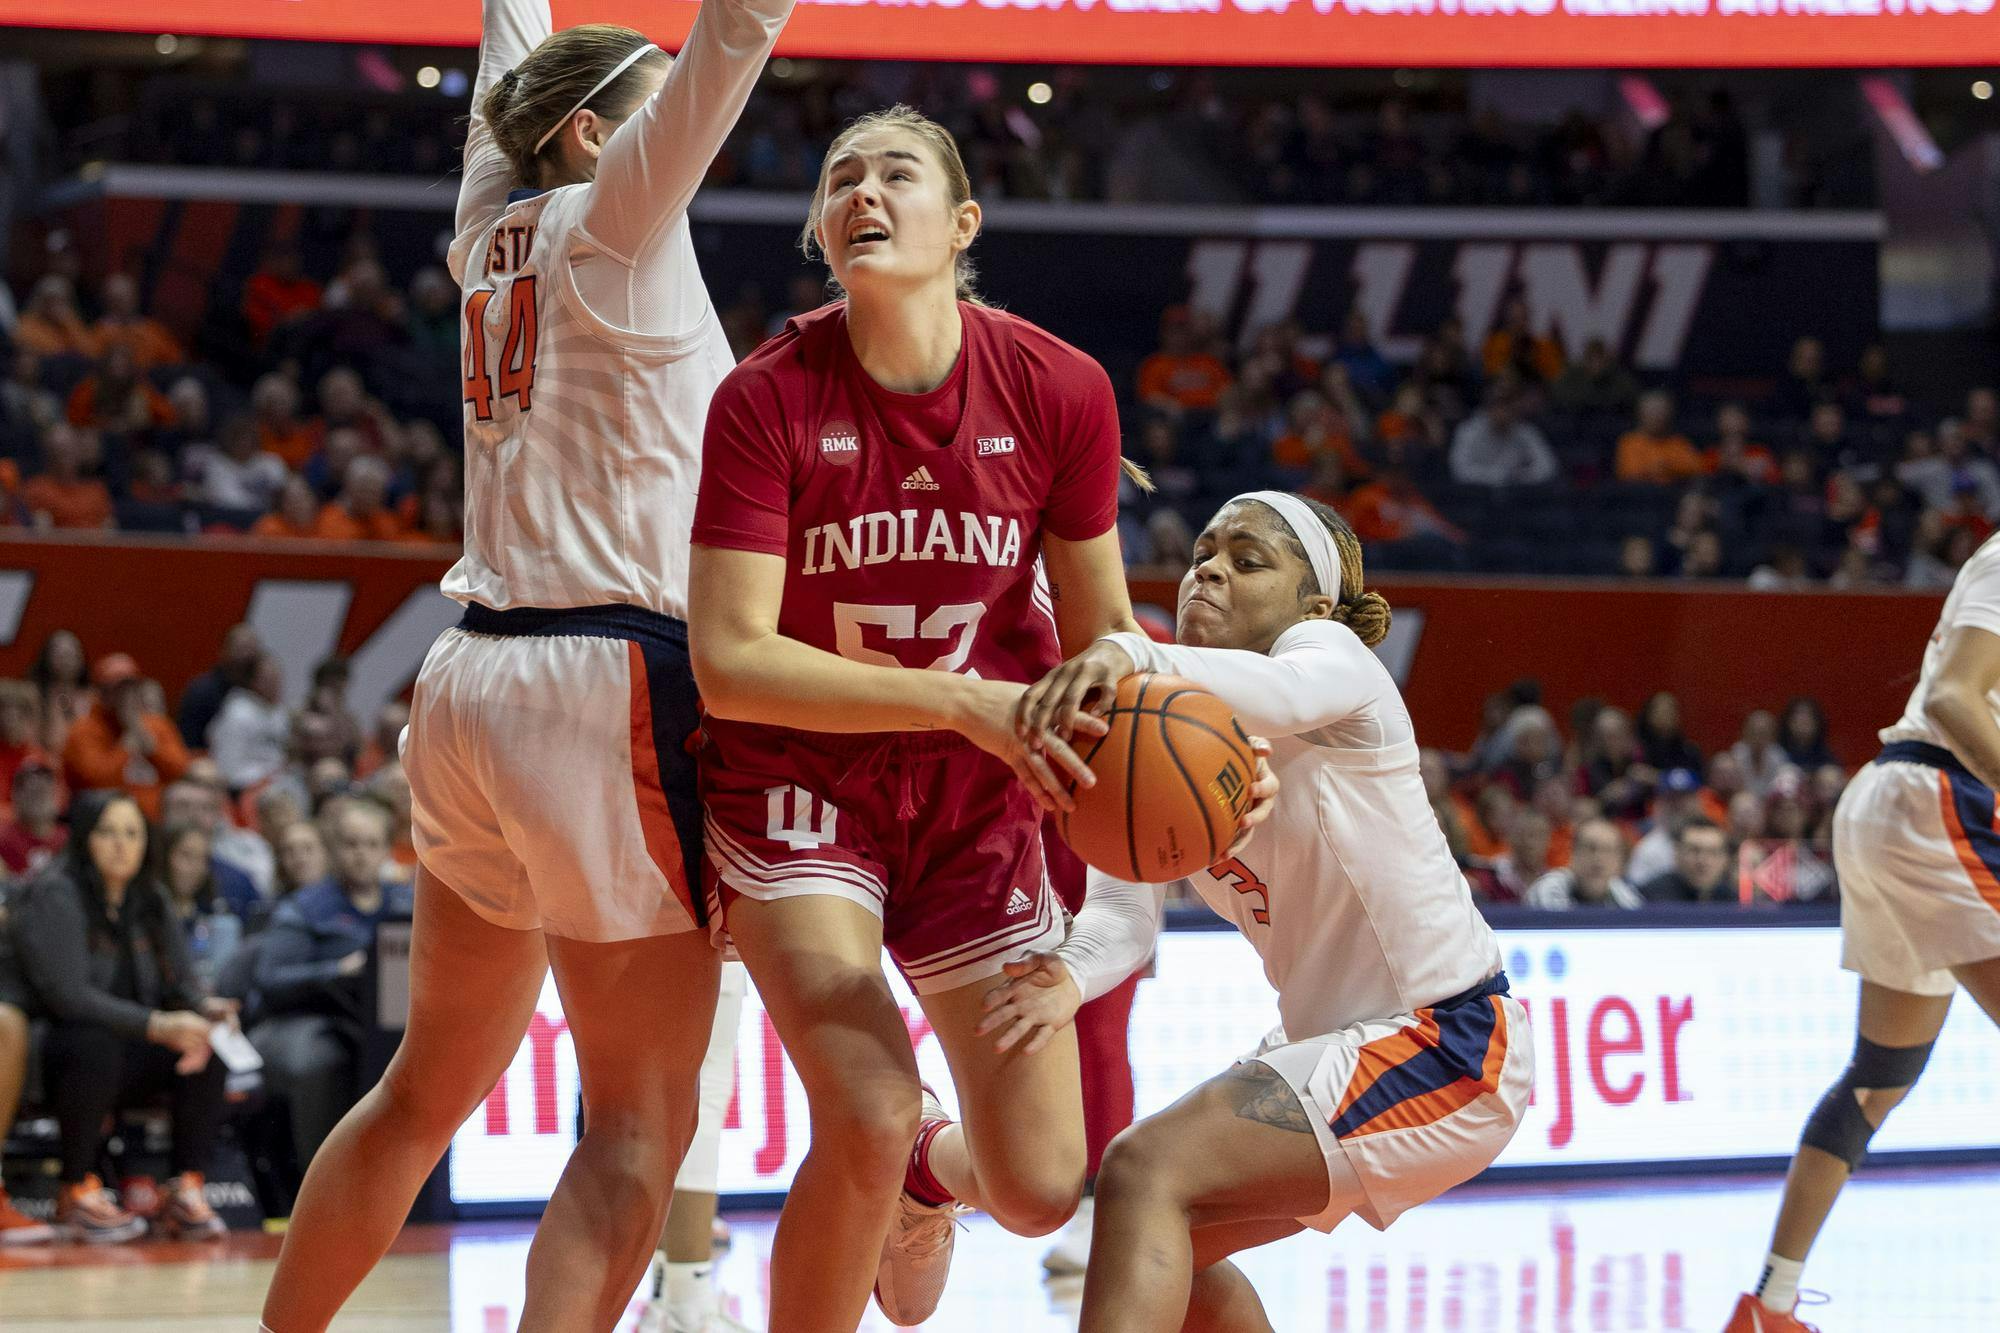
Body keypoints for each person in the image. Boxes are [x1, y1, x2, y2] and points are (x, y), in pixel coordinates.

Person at [258, 0, 795, 1326]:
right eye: (654, 104)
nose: (683, 122)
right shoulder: (618, 227)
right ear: (600, 133)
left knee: (422, 1093)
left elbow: (514, 48)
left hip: (471, 681)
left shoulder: (483, 233)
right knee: (634, 1124)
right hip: (600, 683)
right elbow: (738, 31)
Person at [687, 104, 1234, 1332]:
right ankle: (893, 1151)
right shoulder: (763, 397)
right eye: (839, 181)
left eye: (895, 175)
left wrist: (1153, 712)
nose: (862, 193)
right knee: (865, 1107)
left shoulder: (1058, 386)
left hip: (977, 792)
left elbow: (1100, 623)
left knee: (1044, 1186)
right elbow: (727, 663)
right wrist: (964, 699)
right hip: (800, 781)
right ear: (823, 234)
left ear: (962, 223)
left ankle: (930, 1174)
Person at [994, 491, 1530, 1333]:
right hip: (1346, 1041)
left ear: (1312, 603)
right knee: (1163, 1236)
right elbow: (1123, 918)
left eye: (1248, 560)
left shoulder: (1333, 659)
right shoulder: (1149, 718)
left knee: (1139, 1171)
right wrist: (1064, 978)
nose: (1208, 568)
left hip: (1445, 1038)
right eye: (1205, 551)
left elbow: (1279, 695)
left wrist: (1132, 651)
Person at [1725, 531, 2000, 1332]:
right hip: (1935, 795)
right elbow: (1953, 696)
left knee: (1878, 1078)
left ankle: (1768, 1307)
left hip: (1907, 812)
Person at [7, 791, 231, 1242]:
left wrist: (208, 1010)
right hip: (55, 1050)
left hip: (131, 1045)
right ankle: (76, 1188)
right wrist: (158, 1024)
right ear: (85, 839)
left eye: (132, 833)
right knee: (94, 1041)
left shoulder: (152, 897)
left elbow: (182, 983)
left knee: (210, 1045)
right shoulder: (56, 892)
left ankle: (183, 1188)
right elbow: (67, 996)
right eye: (107, 832)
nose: (120, 844)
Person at [251, 797, 409, 1177]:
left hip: (387, 1022)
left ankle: (407, 1184)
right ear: (335, 849)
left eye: (371, 845)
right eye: (352, 844)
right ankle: (324, 1180)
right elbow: (270, 978)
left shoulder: (406, 905)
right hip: (314, 1017)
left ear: (386, 851)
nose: (361, 855)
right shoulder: (305, 908)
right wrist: (337, 969)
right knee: (318, 1059)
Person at [639, 962, 754, 1333]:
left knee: (642, 1105)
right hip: (695, 928)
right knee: (701, 1095)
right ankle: (688, 1308)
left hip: (614, 934)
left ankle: (666, 1295)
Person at [63, 652, 191, 821]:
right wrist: (126, 747)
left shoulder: (157, 725)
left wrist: (150, 745)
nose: (124, 696)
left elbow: (181, 771)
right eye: (116, 689)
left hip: (156, 819)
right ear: (101, 693)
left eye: (130, 689)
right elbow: (95, 782)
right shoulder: (83, 729)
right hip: (103, 819)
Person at [179, 624, 266, 749]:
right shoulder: (202, 692)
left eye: (251, 650)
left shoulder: (258, 693)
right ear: (224, 651)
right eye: (242, 649)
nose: (247, 656)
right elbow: (188, 742)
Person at [1526, 817, 1641, 909]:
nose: (1598, 859)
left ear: (1619, 863)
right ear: (1573, 855)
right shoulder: (1548, 888)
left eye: (1607, 850)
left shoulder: (1626, 897)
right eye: (1590, 848)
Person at [1638, 818, 1734, 904]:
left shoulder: (1734, 902)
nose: (1703, 861)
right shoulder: (1649, 899)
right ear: (1677, 853)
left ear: (1725, 859)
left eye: (1713, 852)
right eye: (1694, 850)